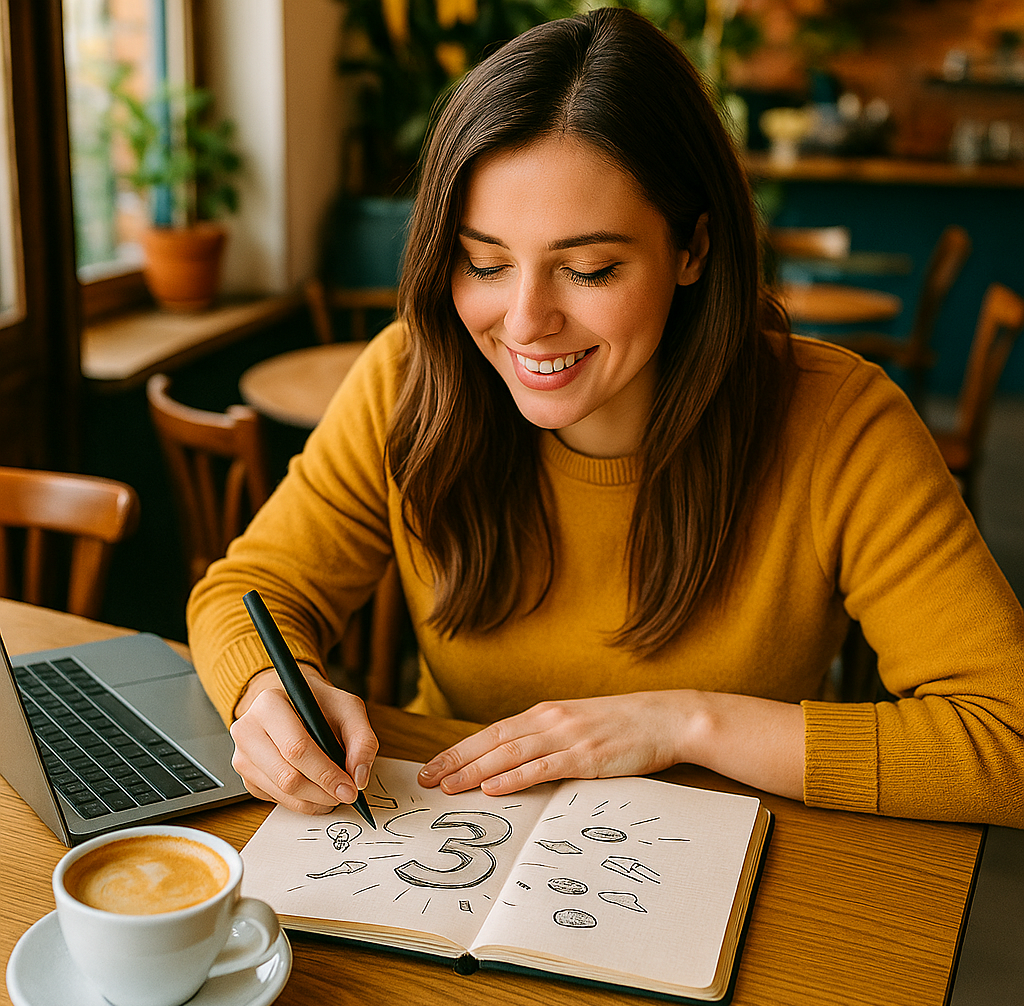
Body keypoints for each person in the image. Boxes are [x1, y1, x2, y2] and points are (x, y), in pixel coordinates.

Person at [187, 7, 1024, 828]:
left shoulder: (840, 423)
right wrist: (268, 690)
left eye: (587, 269)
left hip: (730, 886)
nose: (522, 322)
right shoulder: (412, 378)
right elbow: (249, 590)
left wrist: (685, 722)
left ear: (691, 249)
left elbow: (1009, 741)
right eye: (485, 263)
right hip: (454, 846)